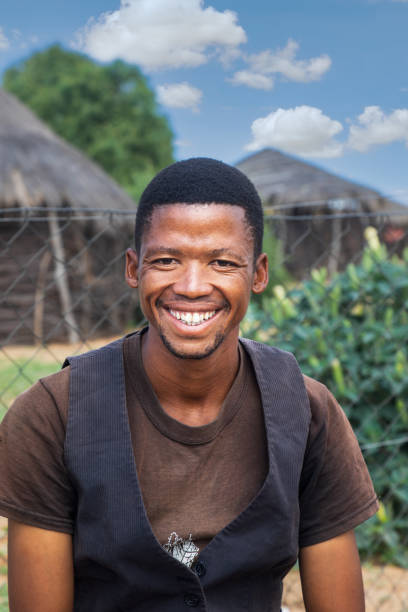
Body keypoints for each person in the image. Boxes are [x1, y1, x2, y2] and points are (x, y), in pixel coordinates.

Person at [0, 157, 378, 612]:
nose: (193, 286)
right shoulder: (54, 415)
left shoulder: (308, 411)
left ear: (258, 274)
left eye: (222, 262)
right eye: (166, 260)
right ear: (133, 269)